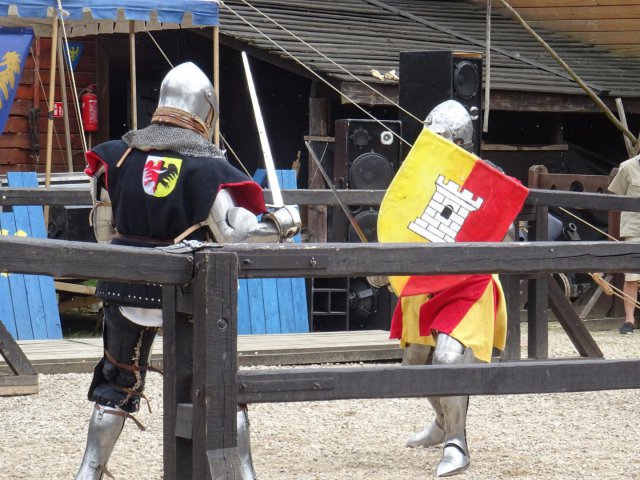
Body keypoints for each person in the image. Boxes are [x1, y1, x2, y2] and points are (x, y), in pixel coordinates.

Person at [75, 62, 300, 480]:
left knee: (115, 386)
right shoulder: (206, 168)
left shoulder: (116, 155)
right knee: (219, 388)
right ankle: (243, 475)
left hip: (124, 286)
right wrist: (282, 224)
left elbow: (103, 229)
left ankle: (88, 473)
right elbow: (236, 235)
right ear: (206, 108)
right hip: (187, 293)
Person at [392, 100, 509, 477]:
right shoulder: (421, 174)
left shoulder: (486, 176)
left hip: (468, 281)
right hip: (426, 279)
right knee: (414, 363)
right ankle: (442, 421)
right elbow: (403, 224)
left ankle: (457, 441)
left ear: (458, 140)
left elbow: (504, 233)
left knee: (448, 358)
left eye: (440, 138)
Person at [608, 153, 640, 335]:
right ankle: (629, 320)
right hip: (635, 228)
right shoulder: (627, 167)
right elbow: (615, 195)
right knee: (632, 276)